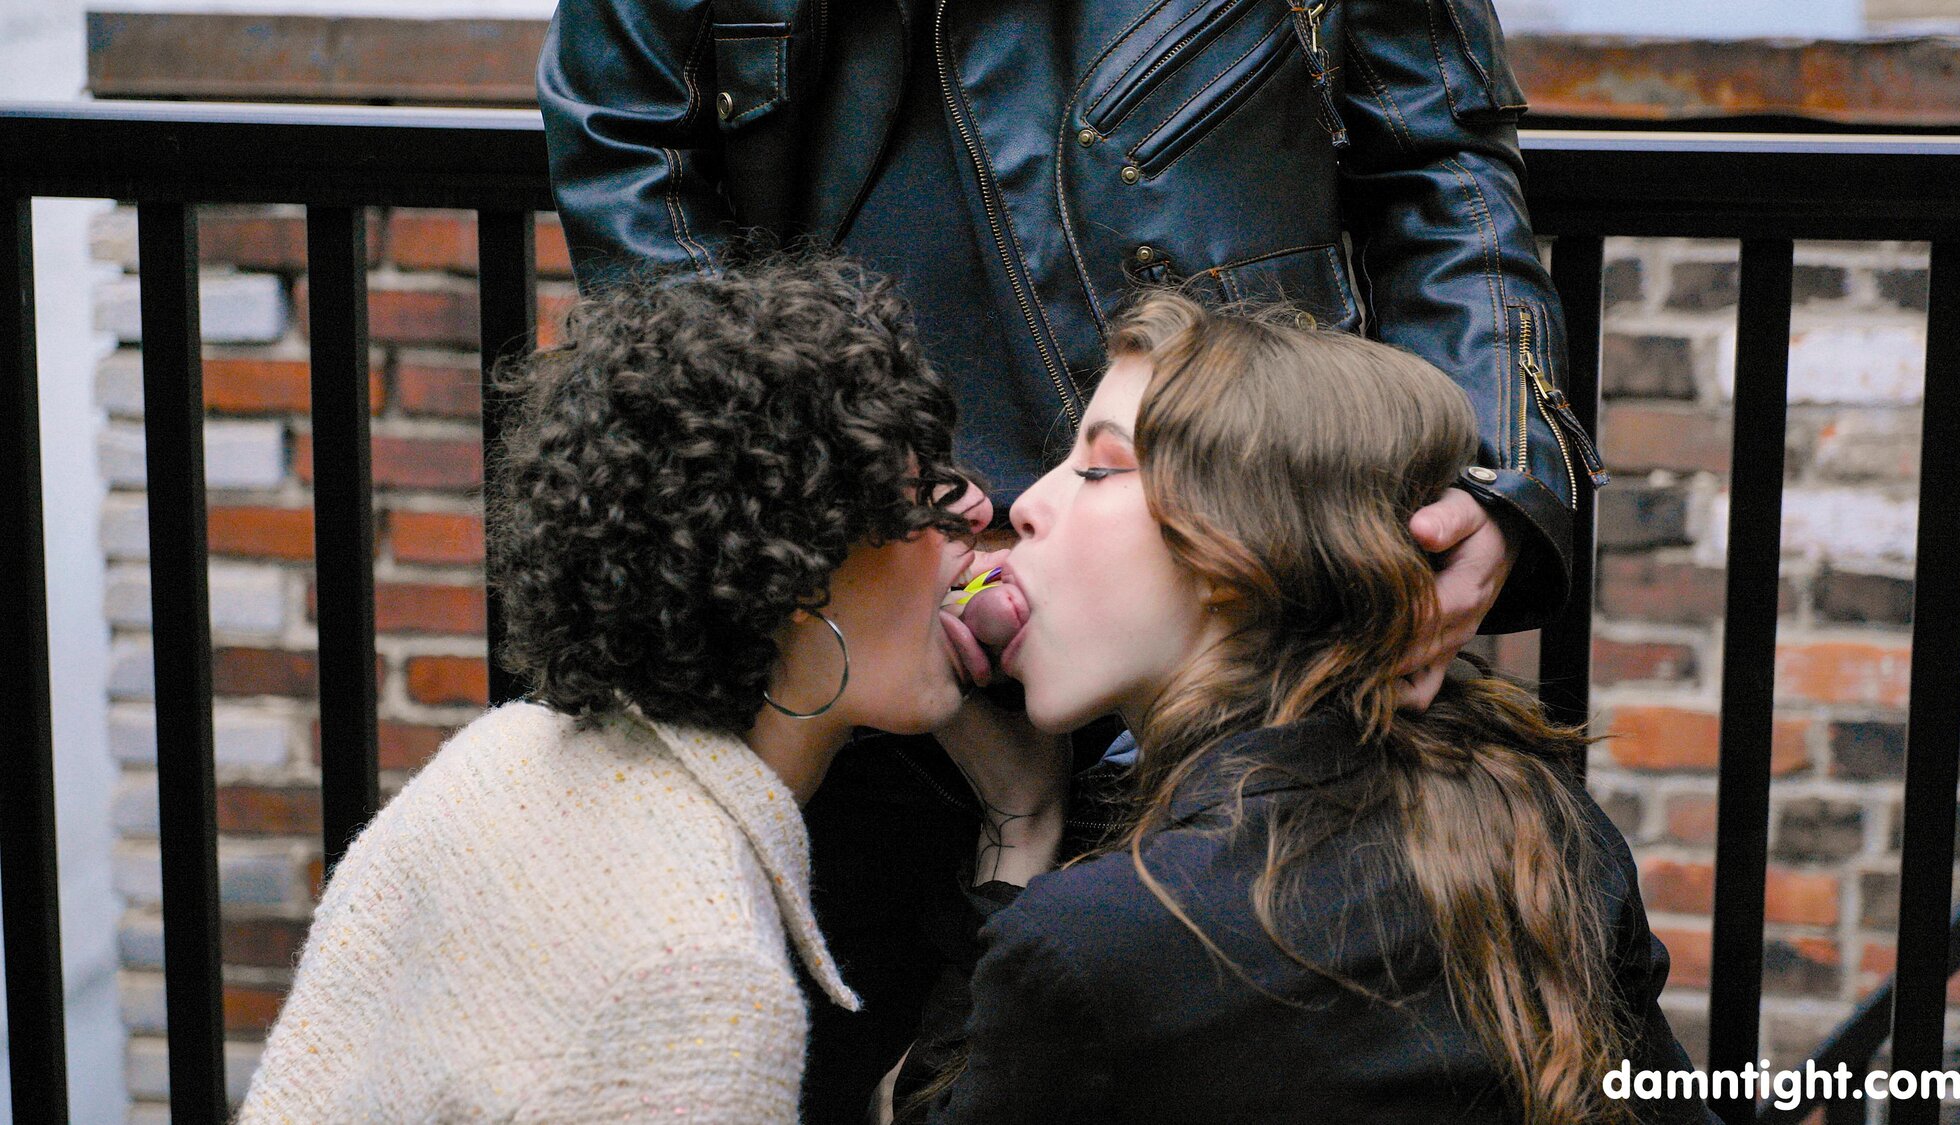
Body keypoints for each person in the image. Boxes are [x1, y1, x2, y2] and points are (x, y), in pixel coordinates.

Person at [537, 1, 1606, 1112]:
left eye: (1091, 469)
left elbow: (1436, 148)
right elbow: (627, 143)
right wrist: (819, 491)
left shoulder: (1552, 856)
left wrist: (1490, 471)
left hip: (1238, 620)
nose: (1013, 506)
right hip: (855, 633)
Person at [909, 292, 1709, 1124]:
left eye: (1100, 468)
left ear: (1239, 548)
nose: (1027, 505)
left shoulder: (1089, 942)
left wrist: (1020, 829)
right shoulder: (1541, 823)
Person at [236, 257, 1005, 1123]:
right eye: (917, 495)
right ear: (796, 570)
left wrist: (1022, 822)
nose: (976, 509)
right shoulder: (703, 974)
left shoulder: (498, 757)